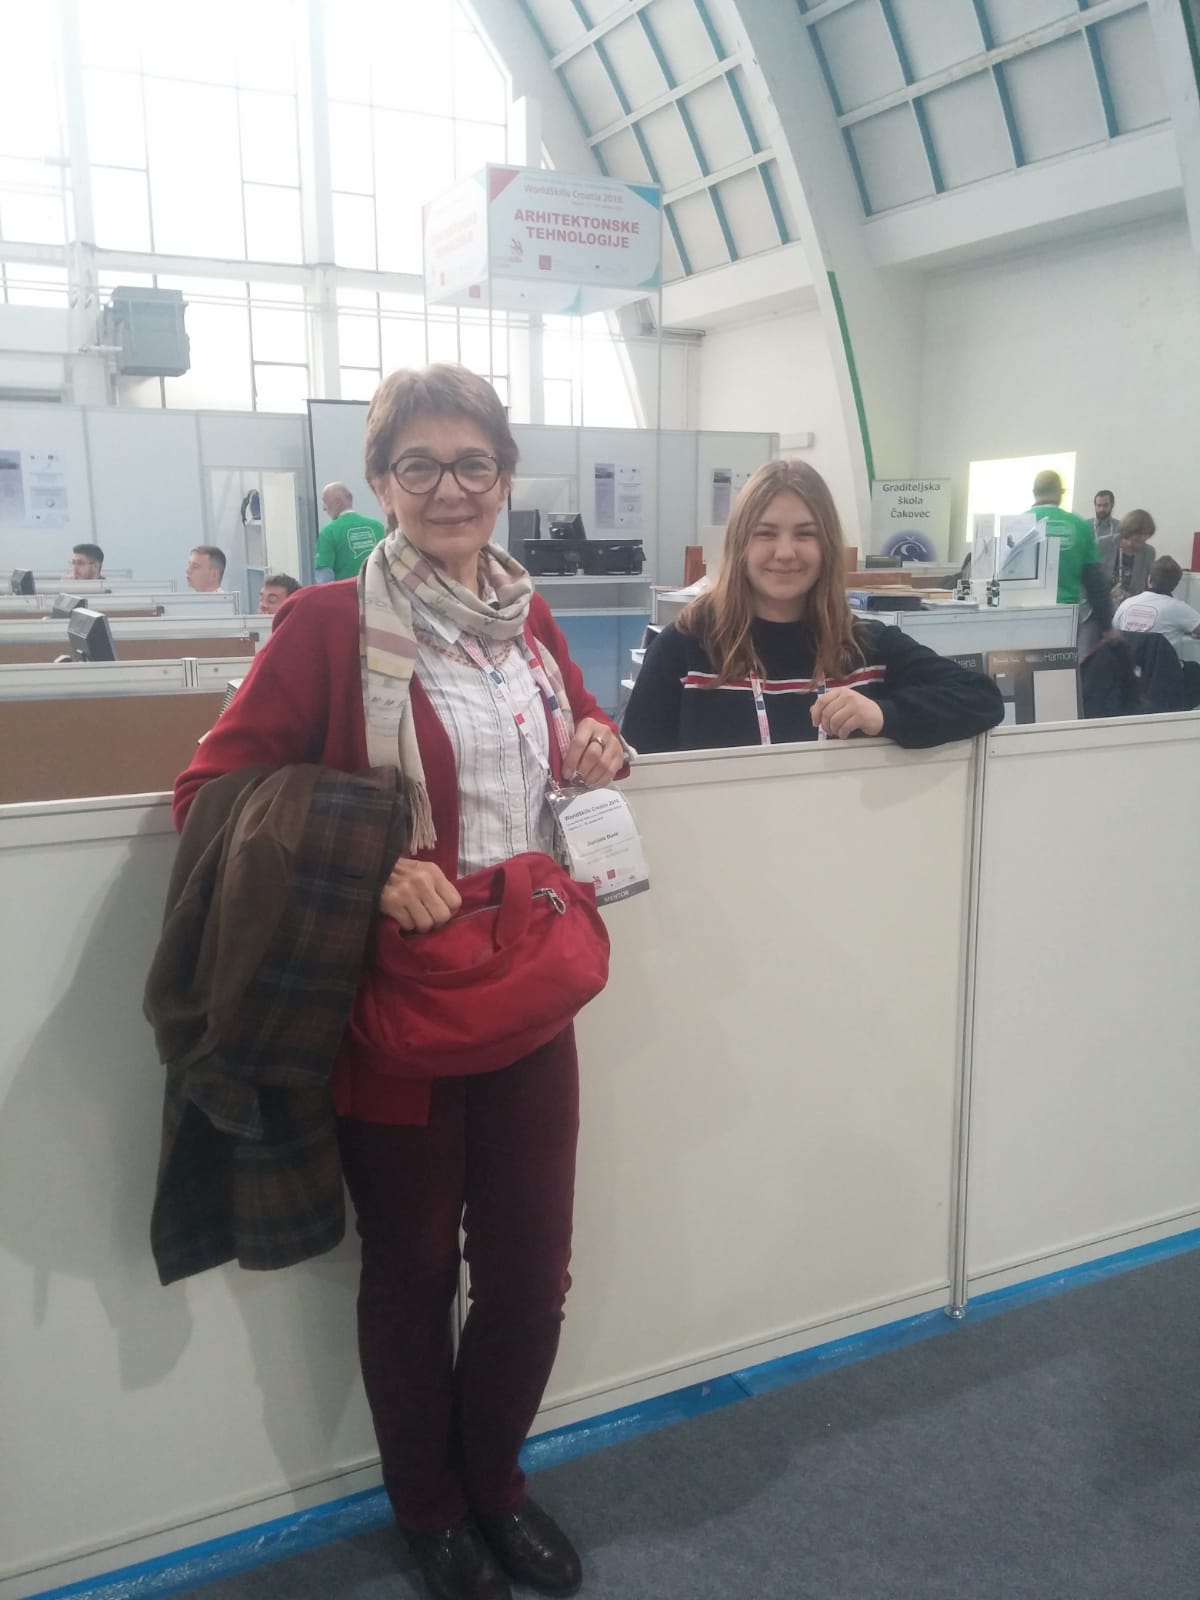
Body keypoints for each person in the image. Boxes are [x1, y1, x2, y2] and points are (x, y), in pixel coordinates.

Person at [174, 364, 626, 1600]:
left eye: (473, 462)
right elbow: (210, 796)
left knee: (531, 1273)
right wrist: (368, 865)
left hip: (527, 979)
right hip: (397, 1005)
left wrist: (602, 743)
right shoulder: (327, 624)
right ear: (379, 482)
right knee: (414, 1266)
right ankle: (430, 1510)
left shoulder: (529, 618)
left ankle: (497, 1485)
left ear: (505, 477)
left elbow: (581, 737)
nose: (449, 487)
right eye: (418, 464)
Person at [621, 459, 1004, 754]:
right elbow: (639, 772)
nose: (785, 552)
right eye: (766, 534)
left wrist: (883, 714)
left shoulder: (865, 646)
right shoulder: (684, 650)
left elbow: (981, 698)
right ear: (740, 546)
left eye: (805, 534)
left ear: (827, 547)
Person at [1029, 469, 1115, 653]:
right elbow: (1094, 581)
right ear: (1060, 492)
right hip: (1067, 613)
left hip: (1025, 612)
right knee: (1062, 666)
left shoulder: (1018, 523)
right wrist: (1106, 625)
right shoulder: (1080, 525)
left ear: (1034, 492)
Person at [315, 480, 386, 581]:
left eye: (325, 502)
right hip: (377, 588)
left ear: (338, 502)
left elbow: (324, 578)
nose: (324, 508)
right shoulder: (378, 526)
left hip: (347, 591)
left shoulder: (328, 532)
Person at [1098, 509, 1156, 605]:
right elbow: (1090, 580)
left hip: (1132, 606)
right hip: (1102, 604)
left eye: (1147, 534)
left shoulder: (1148, 552)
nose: (1143, 538)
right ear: (1128, 531)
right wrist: (1109, 592)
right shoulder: (1102, 545)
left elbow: (1146, 586)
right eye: (1139, 534)